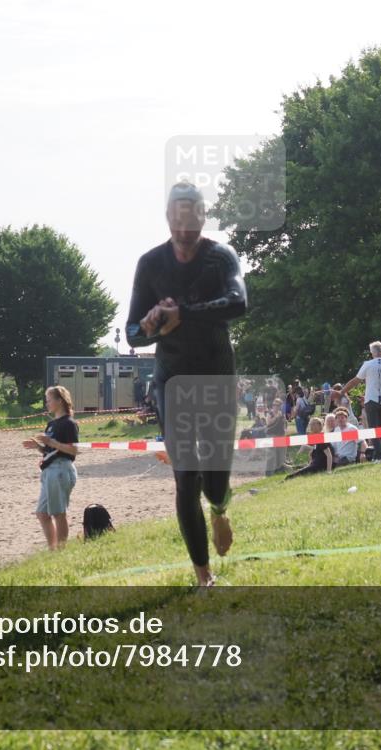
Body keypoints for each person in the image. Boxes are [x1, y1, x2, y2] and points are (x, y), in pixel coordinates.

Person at [125, 181, 247, 587]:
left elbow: (239, 302)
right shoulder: (150, 264)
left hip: (215, 372)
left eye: (191, 225)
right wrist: (148, 326)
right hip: (171, 378)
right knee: (185, 475)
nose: (184, 235)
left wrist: (183, 314)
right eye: (177, 225)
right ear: (168, 220)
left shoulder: (220, 257)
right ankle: (203, 575)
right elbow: (132, 333)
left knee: (214, 479)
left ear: (202, 219)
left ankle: (219, 508)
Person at [23, 386, 79, 550]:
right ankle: (53, 549)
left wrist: (50, 442)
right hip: (51, 470)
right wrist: (38, 447)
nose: (46, 403)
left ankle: (61, 550)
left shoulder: (69, 423)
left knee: (58, 513)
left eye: (49, 400)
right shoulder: (52, 424)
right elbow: (52, 450)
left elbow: (72, 450)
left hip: (61, 470)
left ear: (59, 401)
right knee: (42, 513)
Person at [342, 341, 381, 461]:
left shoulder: (367, 364)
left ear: (373, 352)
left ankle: (376, 454)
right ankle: (378, 455)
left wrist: (342, 391)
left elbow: (355, 381)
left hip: (372, 400)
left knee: (375, 429)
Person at [264, 398, 288, 476]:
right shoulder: (269, 413)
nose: (276, 406)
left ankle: (279, 468)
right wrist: (276, 417)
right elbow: (268, 423)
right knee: (271, 454)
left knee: (281, 453)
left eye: (278, 405)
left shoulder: (281, 413)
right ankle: (268, 471)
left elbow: (284, 423)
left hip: (280, 435)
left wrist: (285, 429)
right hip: (271, 435)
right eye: (274, 405)